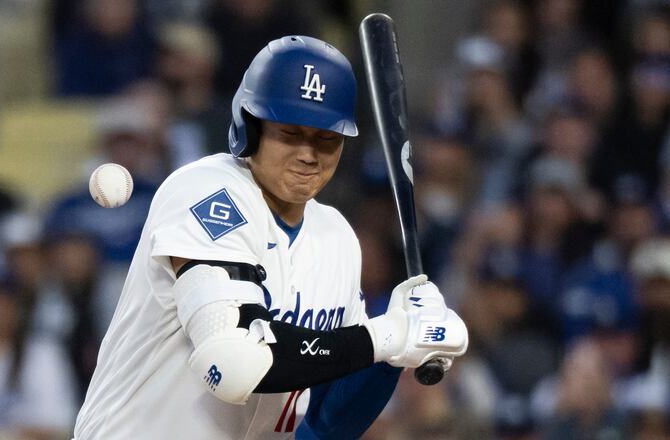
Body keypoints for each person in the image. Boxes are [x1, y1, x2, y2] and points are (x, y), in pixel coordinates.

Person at [73, 36, 468, 439]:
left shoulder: (337, 238)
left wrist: (397, 350)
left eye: (325, 138)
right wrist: (383, 338)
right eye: (290, 132)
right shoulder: (208, 191)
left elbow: (326, 423)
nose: (308, 154)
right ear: (250, 126)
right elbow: (233, 364)